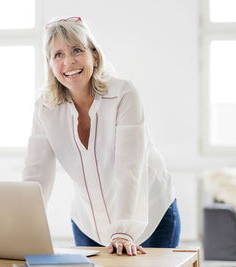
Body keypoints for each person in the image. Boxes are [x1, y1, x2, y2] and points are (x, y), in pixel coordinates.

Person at [23, 16, 180, 256]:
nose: (69, 61)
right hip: (88, 224)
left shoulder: (123, 94)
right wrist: (20, 226)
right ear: (50, 64)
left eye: (77, 50)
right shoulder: (45, 108)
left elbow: (130, 167)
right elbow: (36, 174)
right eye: (58, 55)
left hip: (149, 219)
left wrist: (124, 230)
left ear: (94, 56)